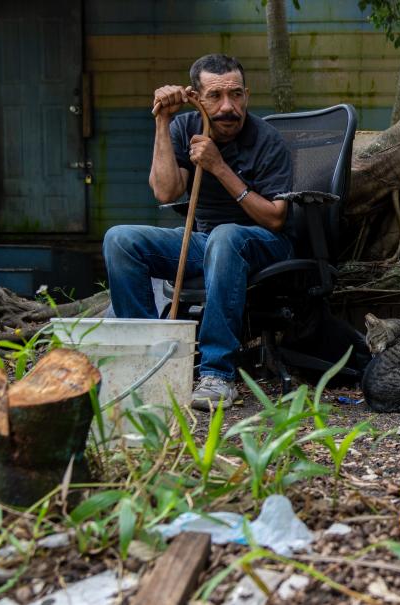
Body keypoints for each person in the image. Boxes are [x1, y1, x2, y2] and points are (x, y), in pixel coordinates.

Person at [103, 54, 294, 411]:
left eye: (236, 95)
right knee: (120, 239)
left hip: (262, 242)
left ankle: (217, 375)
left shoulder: (267, 140)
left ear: (247, 95)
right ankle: (149, 363)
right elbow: (165, 192)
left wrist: (218, 167)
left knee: (226, 236)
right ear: (197, 96)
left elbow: (275, 219)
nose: (228, 107)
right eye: (216, 97)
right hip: (206, 242)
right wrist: (163, 121)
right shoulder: (186, 127)